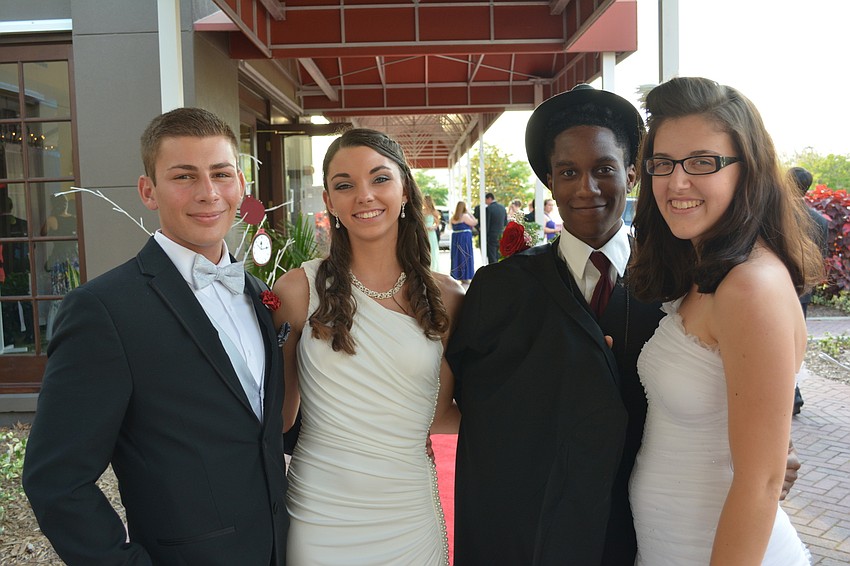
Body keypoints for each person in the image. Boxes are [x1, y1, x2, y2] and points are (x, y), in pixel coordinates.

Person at [446, 83, 801, 565]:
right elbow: (477, 415)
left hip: (650, 539)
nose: (586, 188)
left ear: (632, 174)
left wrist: (773, 452)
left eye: (605, 169)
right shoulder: (500, 290)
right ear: (549, 180)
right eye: (568, 172)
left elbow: (748, 406)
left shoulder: (677, 283)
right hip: (547, 537)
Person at [22, 107, 289, 565]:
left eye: (221, 174)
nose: (208, 193)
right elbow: (56, 479)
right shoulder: (103, 309)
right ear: (148, 191)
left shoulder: (261, 294)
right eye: (184, 176)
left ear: (241, 185)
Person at [628, 76, 818, 565]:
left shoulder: (750, 286)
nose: (677, 181)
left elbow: (762, 481)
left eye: (702, 163)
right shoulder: (708, 271)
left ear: (747, 171)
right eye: (663, 163)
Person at [272, 128, 463, 565]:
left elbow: (440, 415)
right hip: (319, 513)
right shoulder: (298, 291)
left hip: (408, 512)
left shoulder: (447, 298)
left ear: (404, 190)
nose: (364, 196)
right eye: (345, 185)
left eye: (379, 179)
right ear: (329, 202)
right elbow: (278, 415)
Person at [790, 166, 829, 414]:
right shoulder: (819, 221)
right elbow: (820, 258)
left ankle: (791, 394)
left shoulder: (777, 214)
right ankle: (793, 393)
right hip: (803, 289)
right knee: (796, 344)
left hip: (777, 288)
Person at [449, 200, 477, 284]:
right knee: (466, 255)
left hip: (456, 237)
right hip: (464, 238)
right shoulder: (464, 216)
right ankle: (465, 276)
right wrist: (470, 214)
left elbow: (451, 227)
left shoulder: (453, 217)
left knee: (457, 256)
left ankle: (457, 275)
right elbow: (474, 222)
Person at [483, 192, 508, 263]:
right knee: (499, 255)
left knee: (492, 256)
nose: (485, 202)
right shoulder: (503, 208)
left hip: (491, 236)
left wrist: (486, 236)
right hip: (501, 235)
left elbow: (487, 224)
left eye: (486, 200)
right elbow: (505, 223)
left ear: (489, 198)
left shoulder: (489, 209)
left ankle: (494, 271)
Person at [423, 194, 442, 271]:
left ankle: (433, 268)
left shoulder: (433, 211)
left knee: (432, 250)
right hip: (424, 232)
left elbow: (437, 223)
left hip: (431, 233)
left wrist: (433, 227)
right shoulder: (422, 211)